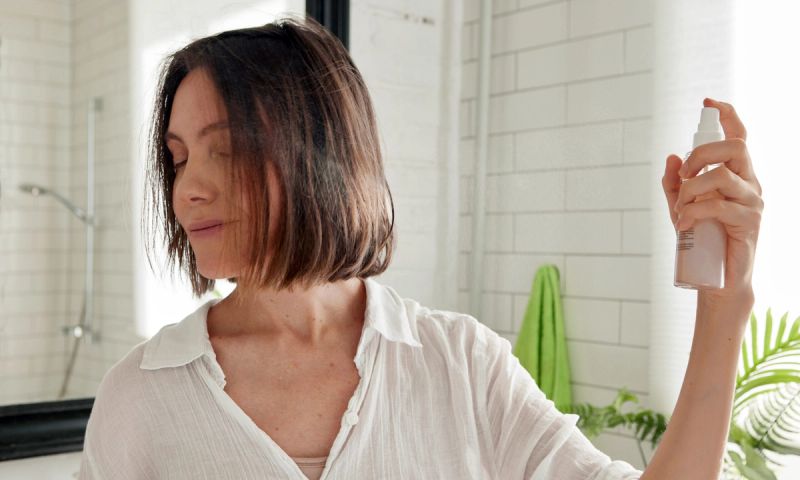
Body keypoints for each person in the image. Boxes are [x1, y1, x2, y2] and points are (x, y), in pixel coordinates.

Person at [78, 16, 763, 480]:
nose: (187, 189)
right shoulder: (140, 397)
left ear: (319, 156)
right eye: (177, 158)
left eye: (224, 149)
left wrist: (723, 303)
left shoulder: (462, 364)